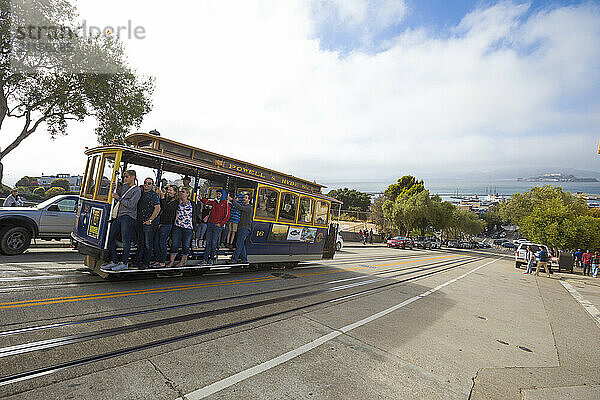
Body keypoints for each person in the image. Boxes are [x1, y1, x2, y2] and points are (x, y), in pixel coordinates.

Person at [103, 170, 142, 271]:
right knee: (110, 238)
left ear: (133, 177)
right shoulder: (124, 187)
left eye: (127, 177)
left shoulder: (137, 190)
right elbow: (116, 199)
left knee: (126, 240)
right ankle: (114, 261)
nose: (125, 179)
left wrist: (119, 198)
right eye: (124, 177)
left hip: (128, 217)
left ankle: (124, 263)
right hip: (119, 215)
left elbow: (131, 204)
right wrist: (113, 190)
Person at [134, 178, 161, 269]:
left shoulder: (154, 195)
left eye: (149, 183)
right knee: (140, 243)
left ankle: (146, 263)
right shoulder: (140, 193)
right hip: (140, 221)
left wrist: (150, 220)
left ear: (152, 185)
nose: (147, 184)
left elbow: (157, 208)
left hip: (149, 223)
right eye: (145, 183)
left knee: (148, 244)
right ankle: (137, 262)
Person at [167, 187, 196, 267]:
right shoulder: (177, 203)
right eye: (180, 192)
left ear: (187, 194)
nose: (181, 193)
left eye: (183, 192)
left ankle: (182, 262)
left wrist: (194, 227)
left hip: (188, 227)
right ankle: (171, 261)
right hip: (177, 226)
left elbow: (194, 216)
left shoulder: (192, 204)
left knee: (186, 245)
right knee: (174, 244)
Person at [200, 189, 230, 265]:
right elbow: (207, 202)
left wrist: (220, 224)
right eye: (217, 194)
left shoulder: (226, 204)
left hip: (217, 226)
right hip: (210, 224)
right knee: (208, 242)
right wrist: (201, 198)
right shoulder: (215, 202)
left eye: (219, 194)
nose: (218, 195)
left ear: (223, 195)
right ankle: (205, 259)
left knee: (214, 242)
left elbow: (227, 217)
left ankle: (211, 259)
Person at [153, 185, 178, 268]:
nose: (169, 192)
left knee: (162, 243)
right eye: (168, 190)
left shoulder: (175, 202)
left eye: (171, 190)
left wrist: (163, 198)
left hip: (167, 224)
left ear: (175, 192)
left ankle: (162, 261)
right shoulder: (167, 199)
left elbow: (166, 209)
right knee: (156, 242)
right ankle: (157, 260)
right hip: (160, 223)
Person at [228, 193, 253, 264]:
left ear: (249, 200)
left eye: (246, 198)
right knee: (241, 244)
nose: (244, 199)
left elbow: (240, 208)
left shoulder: (249, 208)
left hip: (245, 228)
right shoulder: (244, 206)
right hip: (241, 228)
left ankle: (234, 259)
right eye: (244, 197)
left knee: (239, 244)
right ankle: (244, 260)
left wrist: (232, 200)